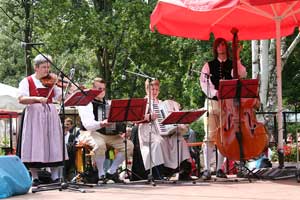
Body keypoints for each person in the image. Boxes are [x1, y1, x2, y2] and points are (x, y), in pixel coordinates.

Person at [199, 37, 247, 180]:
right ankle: (207, 169)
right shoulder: (208, 65)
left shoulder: (233, 64)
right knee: (209, 136)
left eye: (223, 45)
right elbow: (204, 83)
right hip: (212, 104)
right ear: (215, 48)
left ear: (227, 47)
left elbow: (242, 74)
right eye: (218, 45)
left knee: (224, 137)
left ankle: (219, 168)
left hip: (228, 105)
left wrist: (237, 57)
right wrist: (215, 93)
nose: (221, 47)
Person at [17, 54, 67, 186]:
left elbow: (59, 97)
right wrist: (37, 99)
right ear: (36, 67)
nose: (47, 70)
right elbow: (21, 99)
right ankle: (35, 177)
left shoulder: (51, 81)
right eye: (44, 67)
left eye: (48, 67)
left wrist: (65, 92)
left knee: (54, 142)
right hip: (34, 114)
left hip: (51, 114)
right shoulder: (26, 81)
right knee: (35, 143)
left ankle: (56, 176)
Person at [77, 77, 134, 183]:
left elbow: (118, 121)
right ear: (92, 88)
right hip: (89, 132)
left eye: (103, 89)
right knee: (99, 145)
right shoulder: (86, 103)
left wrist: (121, 128)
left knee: (129, 145)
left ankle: (111, 172)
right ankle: (101, 174)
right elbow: (88, 125)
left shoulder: (108, 103)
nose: (101, 91)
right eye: (99, 89)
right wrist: (101, 123)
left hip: (109, 135)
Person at [138, 79, 193, 181]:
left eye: (156, 89)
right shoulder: (144, 102)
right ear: (146, 89)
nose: (154, 92)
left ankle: (184, 171)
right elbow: (136, 118)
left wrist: (174, 114)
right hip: (149, 131)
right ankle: (158, 172)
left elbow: (167, 119)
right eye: (152, 89)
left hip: (164, 131)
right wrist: (149, 116)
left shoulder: (162, 103)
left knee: (179, 140)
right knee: (159, 142)